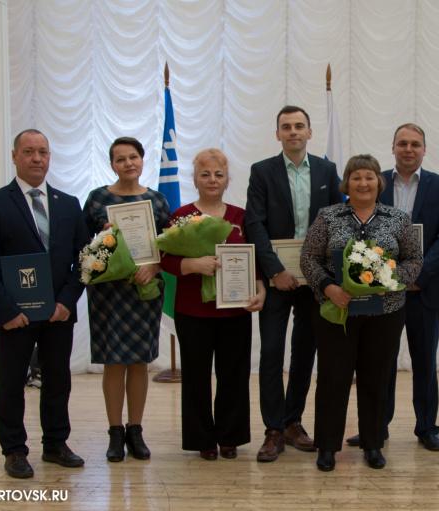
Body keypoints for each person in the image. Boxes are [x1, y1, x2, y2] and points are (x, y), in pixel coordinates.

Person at [0, 129, 89, 478]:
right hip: (16, 316)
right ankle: (14, 450)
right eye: (28, 151)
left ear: (50, 157)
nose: (37, 158)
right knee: (11, 383)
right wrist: (6, 311)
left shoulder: (68, 203)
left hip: (58, 314)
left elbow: (85, 259)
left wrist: (67, 301)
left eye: (42, 152)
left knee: (58, 381)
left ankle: (55, 444)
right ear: (15, 156)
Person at [300, 154, 422, 471]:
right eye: (356, 177)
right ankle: (327, 446)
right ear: (347, 183)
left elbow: (414, 259)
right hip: (338, 313)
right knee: (333, 379)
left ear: (379, 182)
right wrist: (328, 287)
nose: (363, 183)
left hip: (385, 313)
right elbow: (308, 258)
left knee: (376, 378)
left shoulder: (398, 218)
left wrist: (391, 280)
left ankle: (373, 443)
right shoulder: (328, 216)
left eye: (369, 177)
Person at [346, 124, 439, 451]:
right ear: (393, 147)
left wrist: (417, 275)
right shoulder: (375, 182)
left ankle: (427, 428)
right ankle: (376, 427)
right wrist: (386, 277)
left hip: (424, 289)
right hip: (381, 291)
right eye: (403, 143)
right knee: (380, 363)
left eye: (415, 144)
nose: (409, 149)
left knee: (425, 362)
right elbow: (361, 229)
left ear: (424, 149)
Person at [245, 105, 341, 462]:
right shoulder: (262, 172)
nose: (293, 132)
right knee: (271, 353)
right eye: (286, 127)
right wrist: (274, 271)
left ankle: (292, 421)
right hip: (277, 279)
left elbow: (337, 221)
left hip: (315, 281)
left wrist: (322, 273)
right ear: (278, 134)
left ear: (309, 132)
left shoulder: (327, 170)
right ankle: (272, 429)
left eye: (299, 126)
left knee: (304, 353)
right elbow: (255, 224)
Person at [161, 148, 266, 461]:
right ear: (194, 179)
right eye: (205, 174)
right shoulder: (181, 216)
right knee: (196, 376)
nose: (212, 180)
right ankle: (202, 439)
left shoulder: (240, 217)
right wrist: (192, 264)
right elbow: (165, 259)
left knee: (234, 374)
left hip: (235, 310)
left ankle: (230, 436)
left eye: (218, 174)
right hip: (192, 310)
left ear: (227, 179)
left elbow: (256, 257)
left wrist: (260, 287)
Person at [82, 137, 170, 462]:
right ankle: (115, 432)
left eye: (133, 157)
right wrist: (105, 239)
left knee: (139, 361)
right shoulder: (97, 199)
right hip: (108, 292)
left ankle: (136, 430)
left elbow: (169, 245)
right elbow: (83, 245)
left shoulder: (157, 200)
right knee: (113, 361)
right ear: (112, 164)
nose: (128, 163)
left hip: (144, 289)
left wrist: (155, 266)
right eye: (120, 159)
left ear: (142, 160)